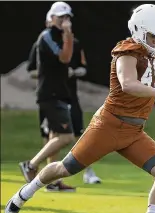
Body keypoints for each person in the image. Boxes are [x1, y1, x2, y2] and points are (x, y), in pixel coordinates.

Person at [5, 3, 155, 213]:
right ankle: (26, 191)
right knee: (64, 169)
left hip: (134, 132)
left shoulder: (149, 49)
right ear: (138, 31)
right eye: (153, 36)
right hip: (109, 127)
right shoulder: (127, 53)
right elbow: (128, 84)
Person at [26, 9, 100, 192]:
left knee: (55, 137)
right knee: (65, 137)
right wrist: (67, 33)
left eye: (67, 17)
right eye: (60, 17)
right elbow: (64, 58)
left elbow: (76, 63)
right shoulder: (46, 37)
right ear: (51, 19)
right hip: (50, 94)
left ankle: (52, 181)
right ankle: (31, 165)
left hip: (62, 94)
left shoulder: (69, 41)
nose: (65, 21)